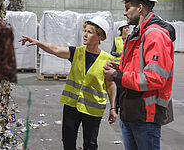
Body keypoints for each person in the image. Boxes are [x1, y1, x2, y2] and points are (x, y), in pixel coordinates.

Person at [20, 16, 117, 150]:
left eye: (90, 32)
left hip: (93, 108)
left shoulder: (108, 60)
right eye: (85, 31)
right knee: (68, 141)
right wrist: (38, 43)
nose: (85, 34)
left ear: (100, 36)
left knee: (90, 144)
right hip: (72, 105)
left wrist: (112, 107)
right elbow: (55, 49)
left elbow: (110, 85)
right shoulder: (76, 52)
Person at [103, 0, 176, 150]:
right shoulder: (138, 33)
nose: (125, 12)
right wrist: (118, 69)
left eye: (128, 7)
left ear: (140, 8)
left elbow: (154, 78)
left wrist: (117, 75)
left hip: (145, 117)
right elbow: (136, 69)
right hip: (131, 112)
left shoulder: (155, 36)